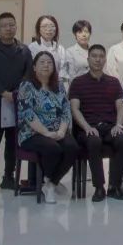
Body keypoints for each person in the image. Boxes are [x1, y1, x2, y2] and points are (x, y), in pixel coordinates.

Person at [0, 12, 32, 193]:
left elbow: (28, 73)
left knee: (12, 141)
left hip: (17, 102)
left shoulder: (24, 50)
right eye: (4, 26)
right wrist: (3, 92)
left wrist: (17, 93)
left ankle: (8, 176)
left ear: (16, 26)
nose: (8, 28)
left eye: (11, 25)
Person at [70, 44, 123, 202]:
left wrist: (119, 125)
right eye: (94, 56)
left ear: (105, 60)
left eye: (101, 56)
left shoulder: (113, 82)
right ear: (88, 59)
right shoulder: (77, 82)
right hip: (87, 129)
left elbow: (120, 107)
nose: (98, 59)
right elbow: (75, 109)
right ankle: (99, 187)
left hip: (110, 127)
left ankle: (114, 186)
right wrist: (87, 127)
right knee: (94, 141)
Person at [17, 51, 79, 204]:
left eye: (49, 62)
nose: (46, 65)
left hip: (57, 130)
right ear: (34, 67)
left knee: (72, 147)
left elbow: (66, 110)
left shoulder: (59, 85)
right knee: (53, 148)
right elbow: (28, 114)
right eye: (42, 62)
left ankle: (51, 183)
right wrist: (46, 133)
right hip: (32, 132)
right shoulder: (27, 86)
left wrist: (62, 131)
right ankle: (49, 182)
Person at [28, 15, 70, 90]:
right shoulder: (32, 48)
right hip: (36, 87)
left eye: (52, 26)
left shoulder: (60, 49)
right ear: (38, 29)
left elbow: (63, 73)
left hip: (56, 87)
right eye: (44, 26)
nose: (49, 29)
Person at [65, 20, 93, 84]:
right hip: (78, 86)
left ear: (90, 34)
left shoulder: (94, 51)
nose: (84, 35)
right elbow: (71, 76)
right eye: (80, 32)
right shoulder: (70, 52)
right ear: (75, 34)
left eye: (86, 32)